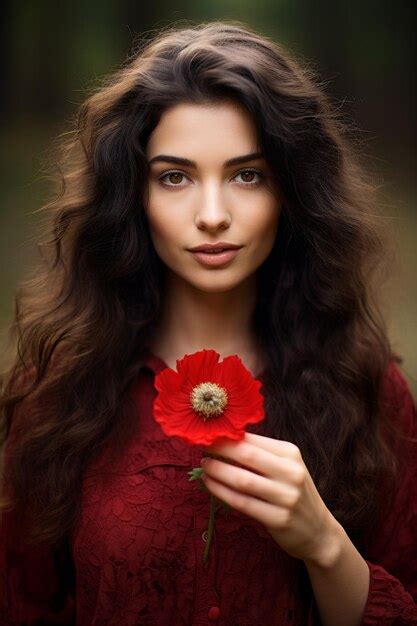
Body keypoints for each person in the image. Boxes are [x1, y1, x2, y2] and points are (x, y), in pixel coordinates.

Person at [0, 19, 416, 626]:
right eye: (175, 177)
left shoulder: (367, 390)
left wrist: (325, 545)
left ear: (291, 192)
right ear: (133, 198)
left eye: (248, 175)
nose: (213, 215)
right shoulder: (60, 392)